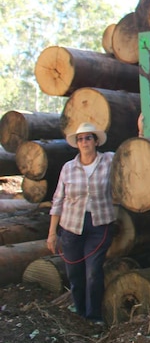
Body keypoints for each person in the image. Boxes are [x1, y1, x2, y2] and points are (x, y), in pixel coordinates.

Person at [46, 122, 116, 324]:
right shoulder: (68, 168)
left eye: (88, 138)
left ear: (95, 141)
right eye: (80, 139)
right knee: (75, 274)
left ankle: (94, 316)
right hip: (71, 227)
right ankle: (80, 314)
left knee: (93, 271)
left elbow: (132, 156)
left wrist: (141, 130)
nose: (84, 142)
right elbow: (58, 201)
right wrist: (52, 233)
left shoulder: (109, 160)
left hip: (99, 225)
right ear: (76, 144)